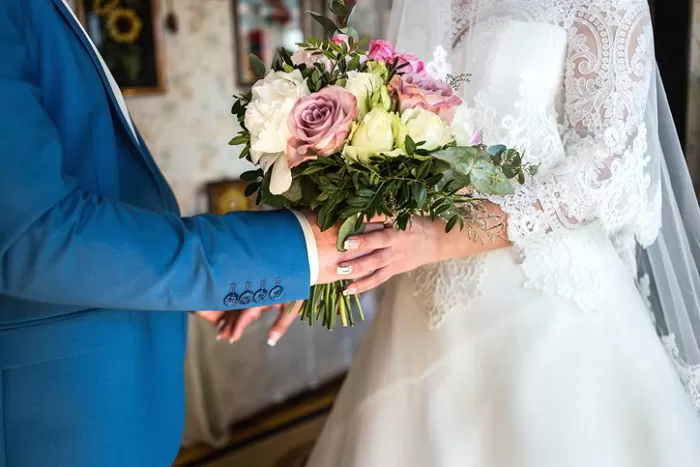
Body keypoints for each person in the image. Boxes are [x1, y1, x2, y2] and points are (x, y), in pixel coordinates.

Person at [232, 0, 700, 465]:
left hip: (545, 300)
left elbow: (606, 166)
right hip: (422, 304)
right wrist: (310, 258)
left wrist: (437, 237)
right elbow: (389, 144)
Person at [0, 1, 388, 465]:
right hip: (57, 417)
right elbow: (33, 234)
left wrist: (203, 284)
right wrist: (292, 251)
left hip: (110, 391)